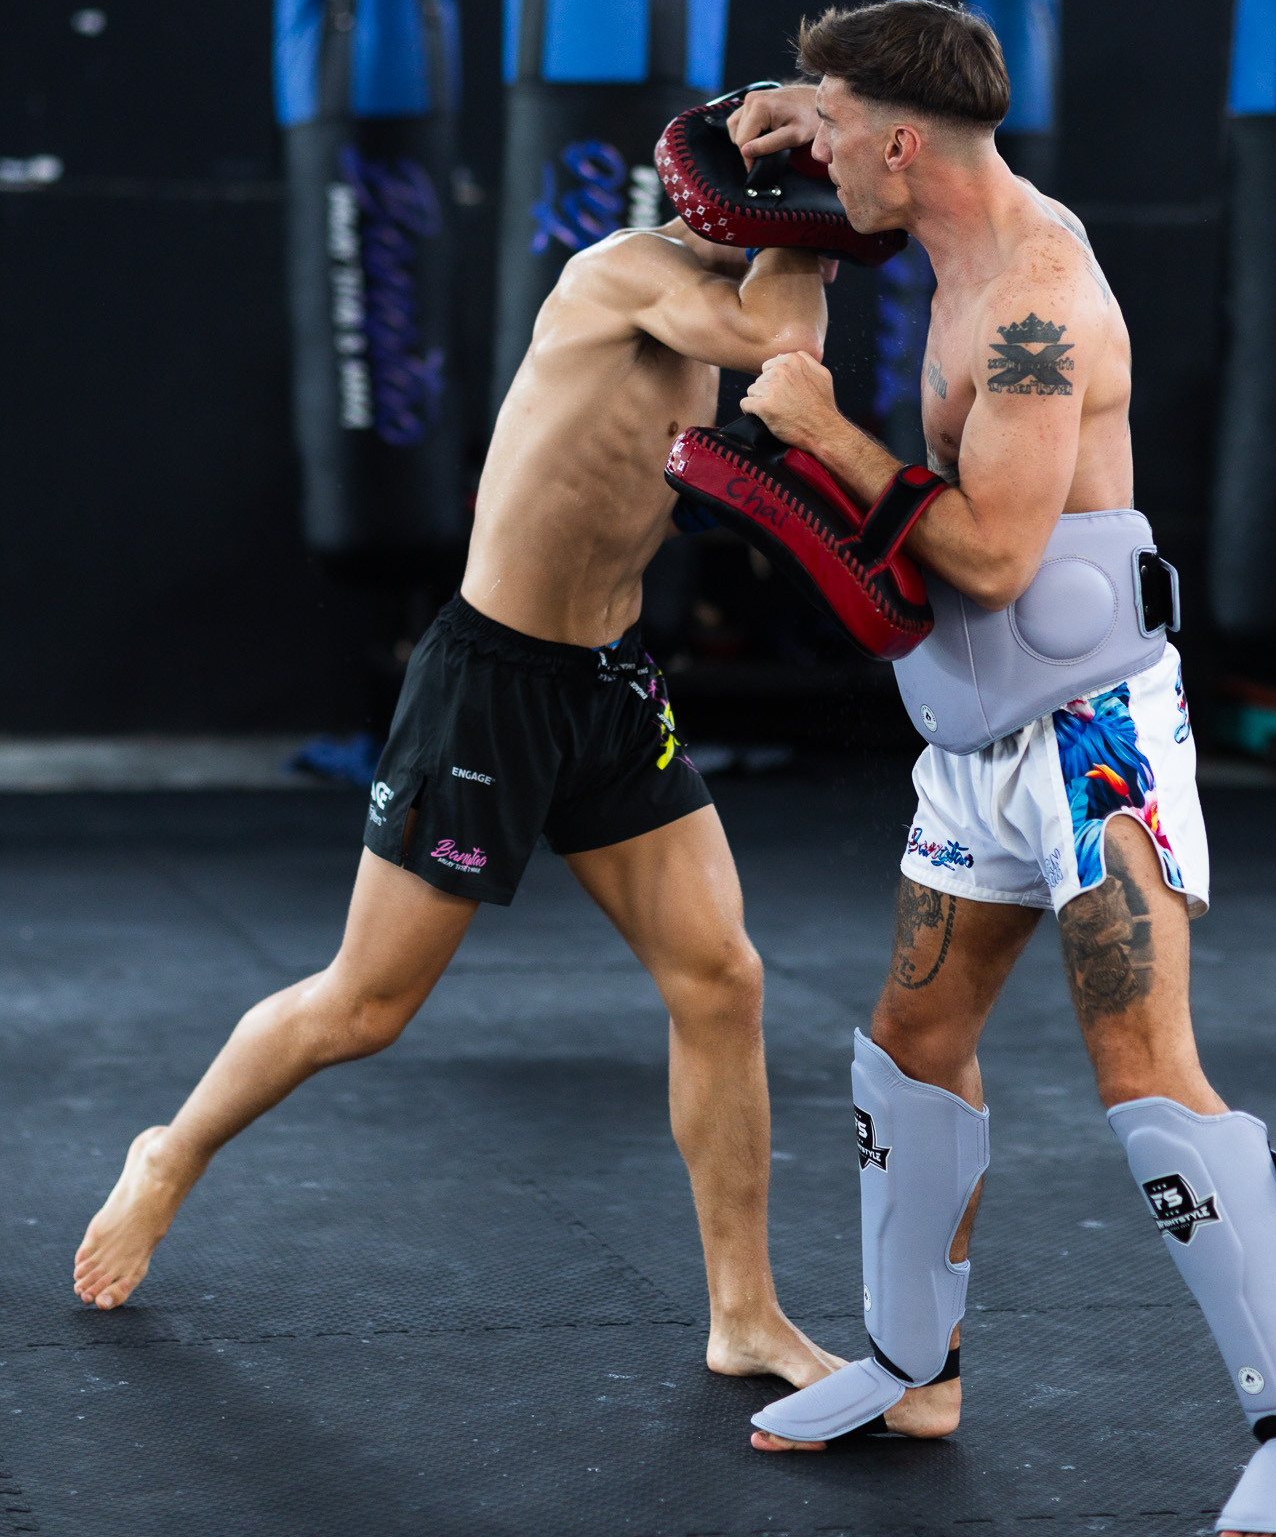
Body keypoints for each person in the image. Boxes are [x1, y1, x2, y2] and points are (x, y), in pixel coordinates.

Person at [724, 0, 1276, 1537]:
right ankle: (912, 1369)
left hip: (1093, 746)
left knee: (1143, 1075)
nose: (819, 156)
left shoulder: (1037, 301)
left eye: (834, 128)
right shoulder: (941, 211)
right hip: (973, 737)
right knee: (909, 1044)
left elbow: (998, 556)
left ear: (900, 144)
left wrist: (824, 431)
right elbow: (841, 127)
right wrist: (784, 104)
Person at [73, 215, 839, 1395]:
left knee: (722, 978)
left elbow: (773, 364)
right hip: (490, 687)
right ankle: (170, 1153)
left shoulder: (722, 316)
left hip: (610, 685)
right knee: (366, 1004)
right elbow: (783, 334)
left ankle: (743, 1312)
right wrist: (816, 224)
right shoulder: (630, 270)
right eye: (795, 167)